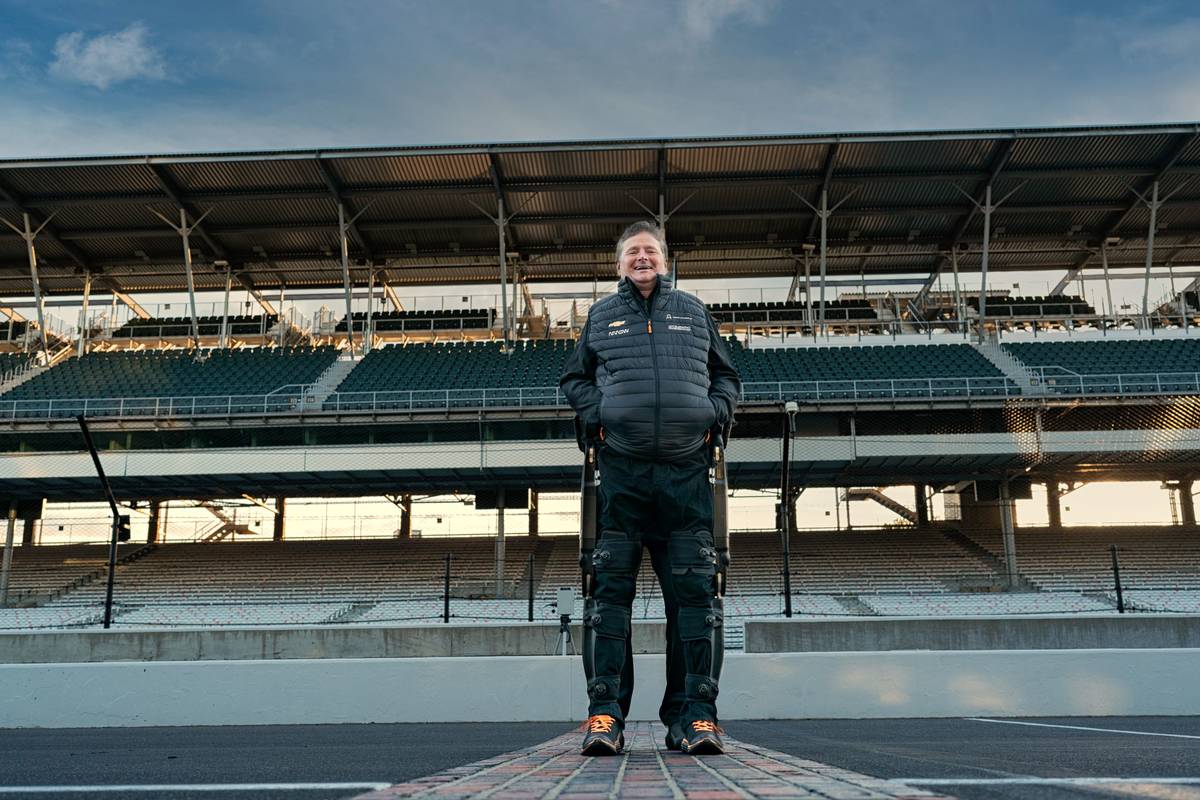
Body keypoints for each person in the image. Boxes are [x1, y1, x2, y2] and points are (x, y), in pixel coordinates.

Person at [559, 221, 741, 756]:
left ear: (665, 261)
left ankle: (695, 718)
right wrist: (599, 413)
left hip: (686, 480)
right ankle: (605, 716)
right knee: (608, 601)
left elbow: (727, 377)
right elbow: (573, 380)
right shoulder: (600, 316)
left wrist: (715, 410)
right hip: (622, 477)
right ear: (619, 264)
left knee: (695, 602)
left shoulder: (693, 311)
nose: (643, 258)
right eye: (633, 252)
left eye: (651, 251)